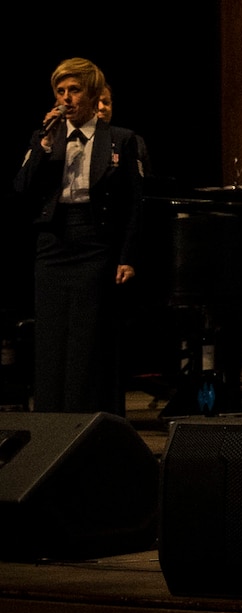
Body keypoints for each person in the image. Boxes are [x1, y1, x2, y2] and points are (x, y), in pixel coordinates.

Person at [14, 58, 143, 414]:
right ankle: (50, 422)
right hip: (53, 245)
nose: (66, 99)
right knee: (52, 337)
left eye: (74, 91)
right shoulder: (46, 138)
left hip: (94, 242)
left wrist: (127, 256)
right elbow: (21, 188)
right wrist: (44, 145)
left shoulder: (119, 139)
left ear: (91, 95)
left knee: (86, 339)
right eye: (60, 91)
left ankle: (85, 420)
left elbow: (135, 203)